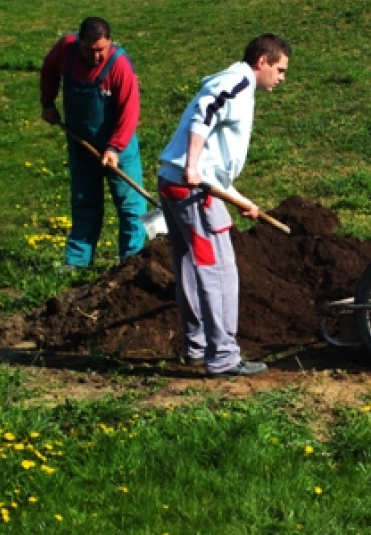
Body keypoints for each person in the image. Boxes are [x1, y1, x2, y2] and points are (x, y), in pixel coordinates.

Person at [156, 34, 291, 378]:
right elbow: (205, 113)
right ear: (262, 61)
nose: (282, 78)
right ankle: (223, 356)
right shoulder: (235, 83)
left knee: (188, 264)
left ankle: (198, 347)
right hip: (192, 189)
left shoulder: (237, 85)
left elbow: (215, 160)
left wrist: (242, 200)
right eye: (280, 69)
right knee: (218, 269)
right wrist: (191, 164)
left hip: (180, 184)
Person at [40, 16, 147, 270]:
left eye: (102, 50)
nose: (97, 56)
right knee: (84, 200)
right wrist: (47, 103)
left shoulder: (120, 65)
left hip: (118, 146)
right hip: (81, 143)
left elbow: (130, 112)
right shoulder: (66, 50)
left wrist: (114, 148)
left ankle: (131, 263)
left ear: (110, 43)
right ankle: (77, 261)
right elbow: (48, 70)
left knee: (130, 205)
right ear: (80, 43)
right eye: (91, 50)